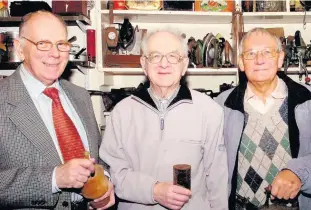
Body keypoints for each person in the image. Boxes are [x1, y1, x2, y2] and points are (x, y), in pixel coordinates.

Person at [99, 29, 228, 210]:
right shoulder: (121, 113)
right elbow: (114, 175)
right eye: (155, 56)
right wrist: (153, 190)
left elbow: (217, 179)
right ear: (144, 64)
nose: (164, 64)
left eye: (173, 56)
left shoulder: (210, 111)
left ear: (184, 65)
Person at [215, 27, 311, 209]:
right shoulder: (222, 106)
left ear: (280, 58)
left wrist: (298, 173)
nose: (259, 60)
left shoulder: (310, 101)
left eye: (267, 52)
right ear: (241, 63)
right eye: (250, 54)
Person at [0, 11, 115, 209]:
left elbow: (96, 158)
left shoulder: (80, 96)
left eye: (61, 44)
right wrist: (54, 179)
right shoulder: (3, 100)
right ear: (20, 48)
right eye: (43, 43)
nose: (55, 53)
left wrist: (103, 181)